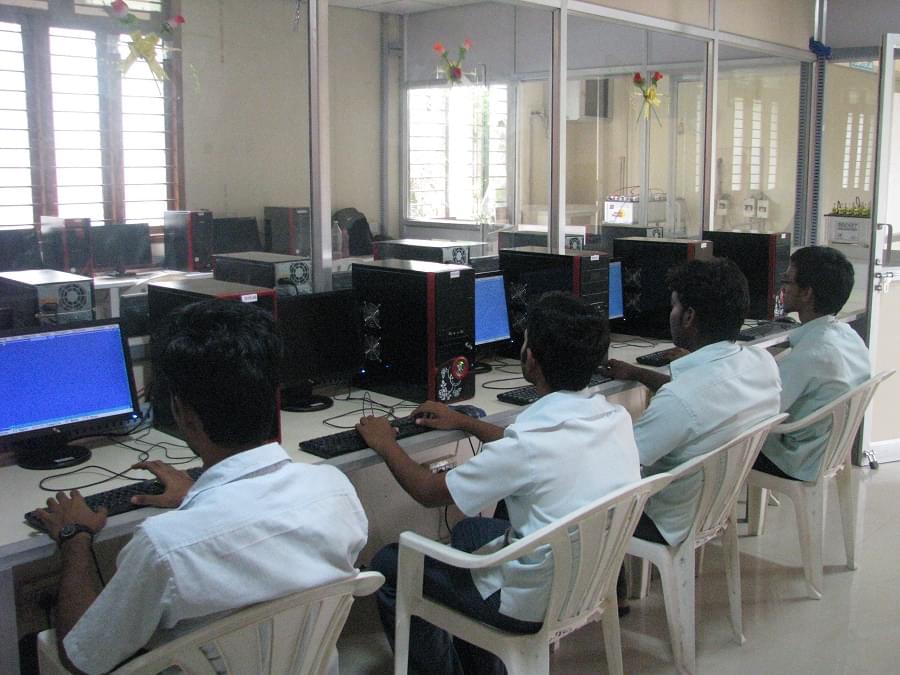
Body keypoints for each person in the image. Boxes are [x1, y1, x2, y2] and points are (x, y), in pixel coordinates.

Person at [34, 300, 368, 674]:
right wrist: (196, 498)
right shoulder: (335, 490)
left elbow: (83, 658)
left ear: (183, 414)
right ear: (271, 394)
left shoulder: (164, 546)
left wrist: (74, 537)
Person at [357, 291, 641, 675]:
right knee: (471, 529)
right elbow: (534, 449)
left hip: (530, 602)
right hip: (588, 578)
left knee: (391, 563)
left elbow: (427, 493)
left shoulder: (529, 445)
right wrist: (465, 422)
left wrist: (385, 443)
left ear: (529, 359)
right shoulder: (613, 418)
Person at [605, 257, 781, 547]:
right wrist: (639, 374)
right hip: (712, 507)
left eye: (674, 306)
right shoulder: (762, 364)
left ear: (689, 317)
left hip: (663, 520)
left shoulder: (679, 400)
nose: (670, 314)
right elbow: (705, 399)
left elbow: (621, 463)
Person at [755, 245, 870, 480]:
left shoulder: (811, 354)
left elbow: (759, 411)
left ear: (807, 293)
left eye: (787, 282)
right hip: (829, 449)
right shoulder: (847, 335)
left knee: (716, 444)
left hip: (797, 459)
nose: (781, 289)